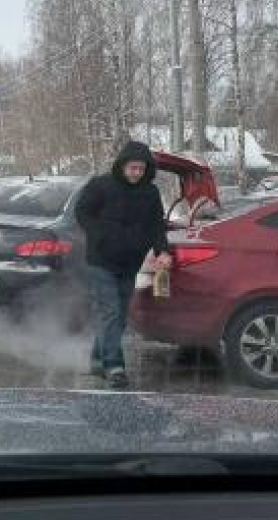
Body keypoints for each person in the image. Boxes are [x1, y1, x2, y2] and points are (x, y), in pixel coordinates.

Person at [75, 140, 173, 390]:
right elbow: (82, 212)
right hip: (100, 261)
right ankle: (114, 366)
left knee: (117, 315)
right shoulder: (101, 185)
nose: (136, 173)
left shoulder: (150, 193)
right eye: (132, 168)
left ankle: (97, 359)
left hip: (130, 263)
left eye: (141, 169)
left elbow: (156, 226)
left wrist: (163, 250)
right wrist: (100, 235)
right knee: (112, 312)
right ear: (122, 166)